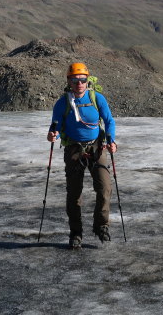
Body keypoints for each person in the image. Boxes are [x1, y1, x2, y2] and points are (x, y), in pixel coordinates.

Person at [47, 62, 117, 249]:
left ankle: (101, 225)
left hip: (96, 147)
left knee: (104, 188)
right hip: (74, 149)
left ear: (87, 81)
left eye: (82, 80)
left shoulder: (97, 98)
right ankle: (76, 232)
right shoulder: (63, 103)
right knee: (74, 194)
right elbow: (55, 125)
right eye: (75, 80)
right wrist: (53, 134)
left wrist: (112, 141)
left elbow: (109, 121)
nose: (79, 83)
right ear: (69, 81)